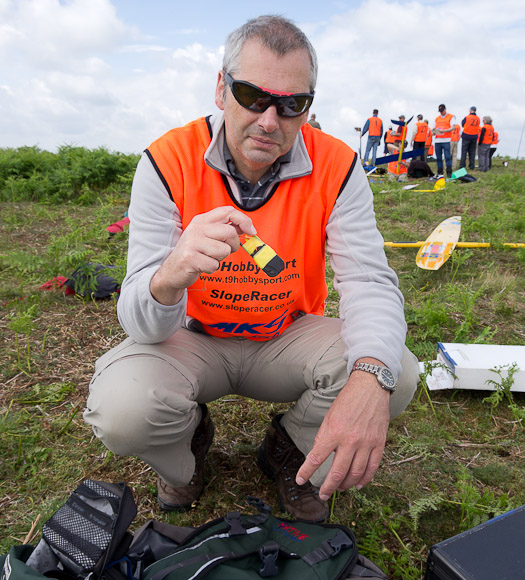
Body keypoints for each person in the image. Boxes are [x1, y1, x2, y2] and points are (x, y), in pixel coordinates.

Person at [83, 15, 419, 524]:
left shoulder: (338, 167)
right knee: (123, 407)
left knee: (396, 373)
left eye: (291, 104)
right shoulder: (166, 160)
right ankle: (185, 456)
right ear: (221, 89)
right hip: (191, 338)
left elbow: (369, 282)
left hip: (287, 336)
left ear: (308, 106)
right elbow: (139, 322)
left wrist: (370, 380)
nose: (269, 120)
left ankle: (289, 448)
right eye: (252, 95)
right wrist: (169, 275)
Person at [433, 104, 456, 177]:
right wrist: (433, 132)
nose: (441, 112)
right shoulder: (437, 118)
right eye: (440, 111)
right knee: (438, 158)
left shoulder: (451, 117)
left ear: (445, 109)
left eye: (442, 111)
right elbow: (434, 128)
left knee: (447, 157)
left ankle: (449, 173)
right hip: (438, 140)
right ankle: (440, 173)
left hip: (446, 140)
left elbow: (453, 127)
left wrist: (444, 131)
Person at [459, 106, 480, 170]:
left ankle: (462, 165)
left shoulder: (467, 117)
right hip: (474, 136)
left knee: (464, 152)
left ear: (471, 110)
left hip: (466, 135)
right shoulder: (478, 118)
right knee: (472, 152)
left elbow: (462, 124)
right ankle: (471, 166)